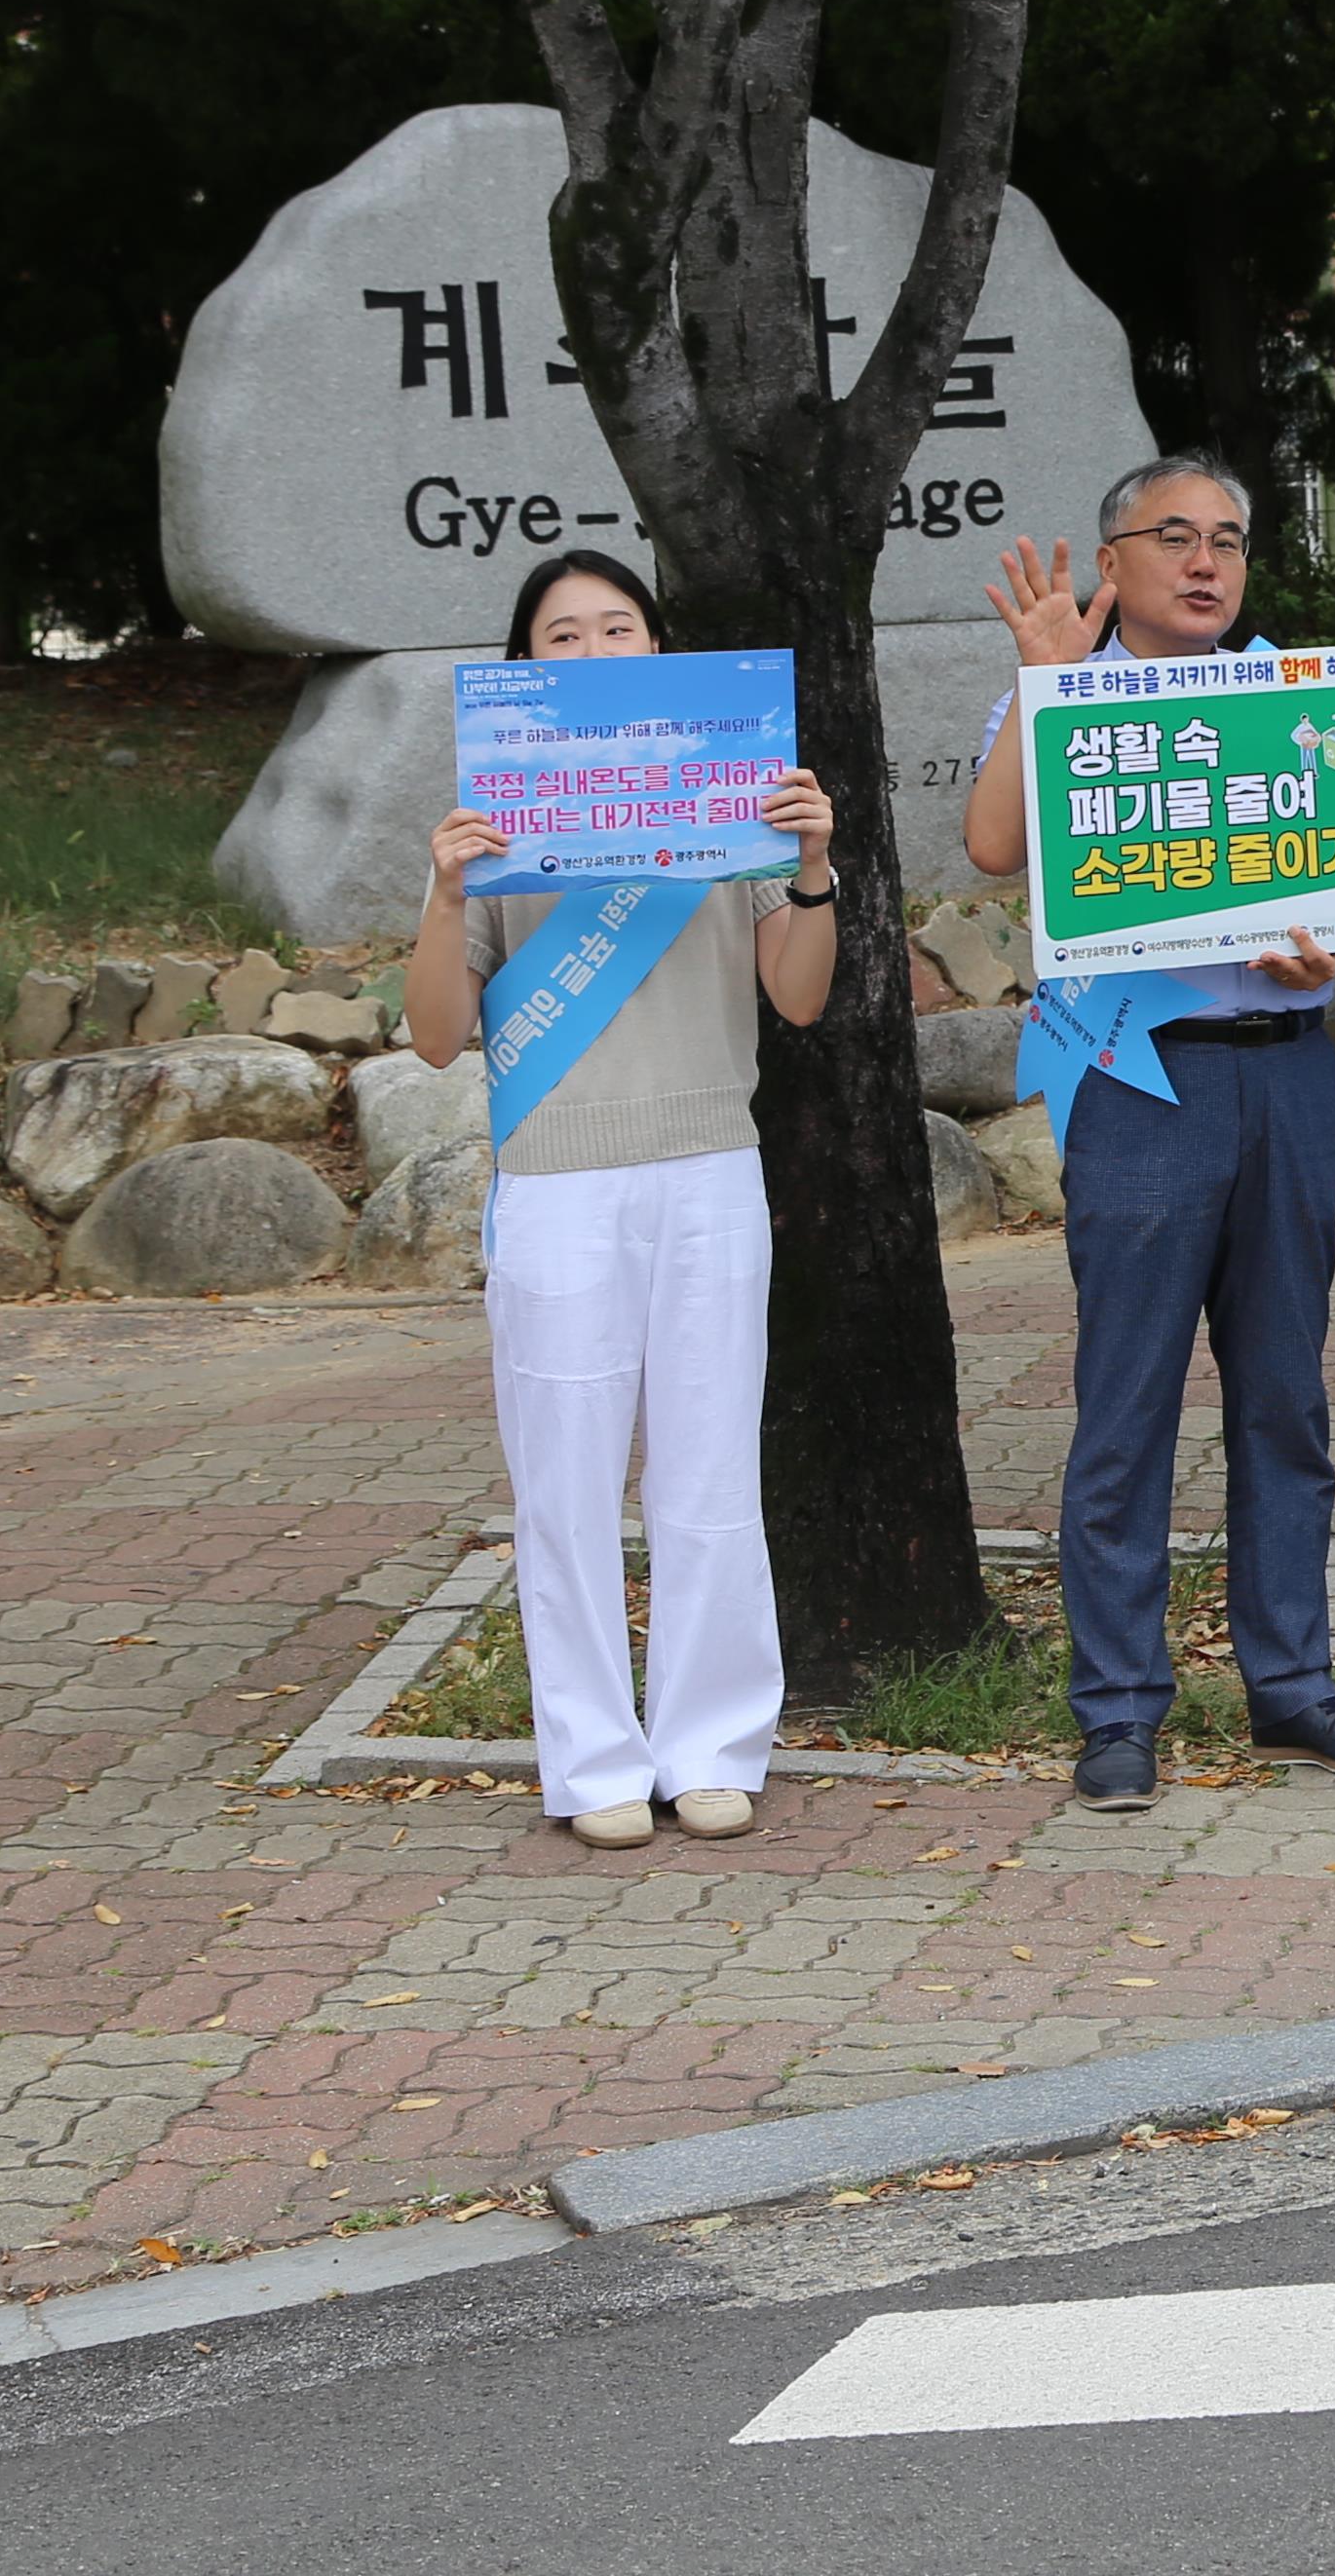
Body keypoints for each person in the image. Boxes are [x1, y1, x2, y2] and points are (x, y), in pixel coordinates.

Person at [965, 454, 1335, 1805]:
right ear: (1117, 565)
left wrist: (1322, 951)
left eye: (1227, 537)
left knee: (1286, 1398)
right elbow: (994, 844)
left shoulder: (1305, 699)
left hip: (1284, 1073)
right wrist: (1046, 681)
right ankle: (1117, 1708)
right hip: (1140, 1081)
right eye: (1175, 538)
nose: (1207, 561)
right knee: (1129, 1407)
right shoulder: (1072, 696)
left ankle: (1294, 1685)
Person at [399, 548, 839, 1849]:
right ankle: (591, 1762)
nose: (594, 652)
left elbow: (800, 995)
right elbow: (433, 1037)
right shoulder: (498, 820)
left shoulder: (733, 792)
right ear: (524, 668)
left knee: (707, 1476)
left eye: (618, 628)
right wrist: (443, 891)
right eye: (563, 635)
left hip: (708, 1164)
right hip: (555, 1181)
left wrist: (811, 863)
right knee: (567, 1486)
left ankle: (712, 1745)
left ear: (661, 652)